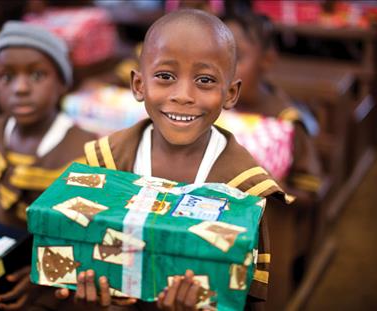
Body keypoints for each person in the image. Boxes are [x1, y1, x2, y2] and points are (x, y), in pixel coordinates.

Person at [54, 9, 292, 311]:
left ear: (230, 94)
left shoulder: (245, 189)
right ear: (139, 85)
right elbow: (77, 257)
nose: (183, 95)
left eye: (205, 80)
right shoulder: (104, 162)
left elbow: (248, 298)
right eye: (165, 76)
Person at [0, 21, 96, 310]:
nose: (21, 88)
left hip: (60, 270)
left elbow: (84, 236)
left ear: (62, 82)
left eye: (37, 75)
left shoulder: (80, 154)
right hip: (2, 256)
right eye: (6, 77)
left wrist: (44, 274)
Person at [223, 12, 323, 298]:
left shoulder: (286, 123)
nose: (224, 72)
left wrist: (273, 188)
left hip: (270, 230)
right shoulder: (210, 109)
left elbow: (310, 192)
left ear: (267, 60)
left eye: (237, 58)